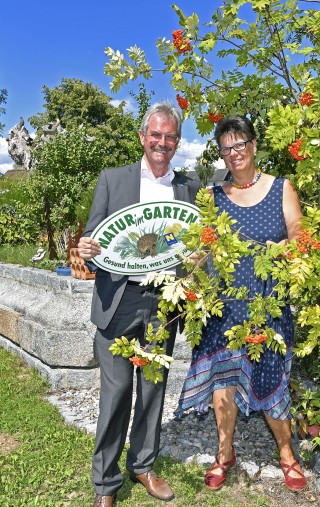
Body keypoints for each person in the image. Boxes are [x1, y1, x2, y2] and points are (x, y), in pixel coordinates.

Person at [78, 101, 201, 507]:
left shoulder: (189, 188)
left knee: (152, 390)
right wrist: (85, 247)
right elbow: (95, 235)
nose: (162, 143)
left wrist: (200, 262)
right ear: (142, 136)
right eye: (156, 135)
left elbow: (197, 244)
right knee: (115, 396)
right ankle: (105, 485)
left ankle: (143, 465)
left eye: (170, 137)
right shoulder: (113, 180)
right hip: (120, 300)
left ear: (177, 142)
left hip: (163, 305)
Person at [175, 115, 307, 492]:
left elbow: (298, 229)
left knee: (271, 380)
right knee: (223, 383)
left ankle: (286, 454)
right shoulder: (214, 196)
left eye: (239, 144)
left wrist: (290, 244)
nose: (233, 153)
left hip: (267, 304)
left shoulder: (281, 187)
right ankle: (224, 453)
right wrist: (190, 265)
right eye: (225, 148)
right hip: (225, 305)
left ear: (253, 144)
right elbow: (203, 245)